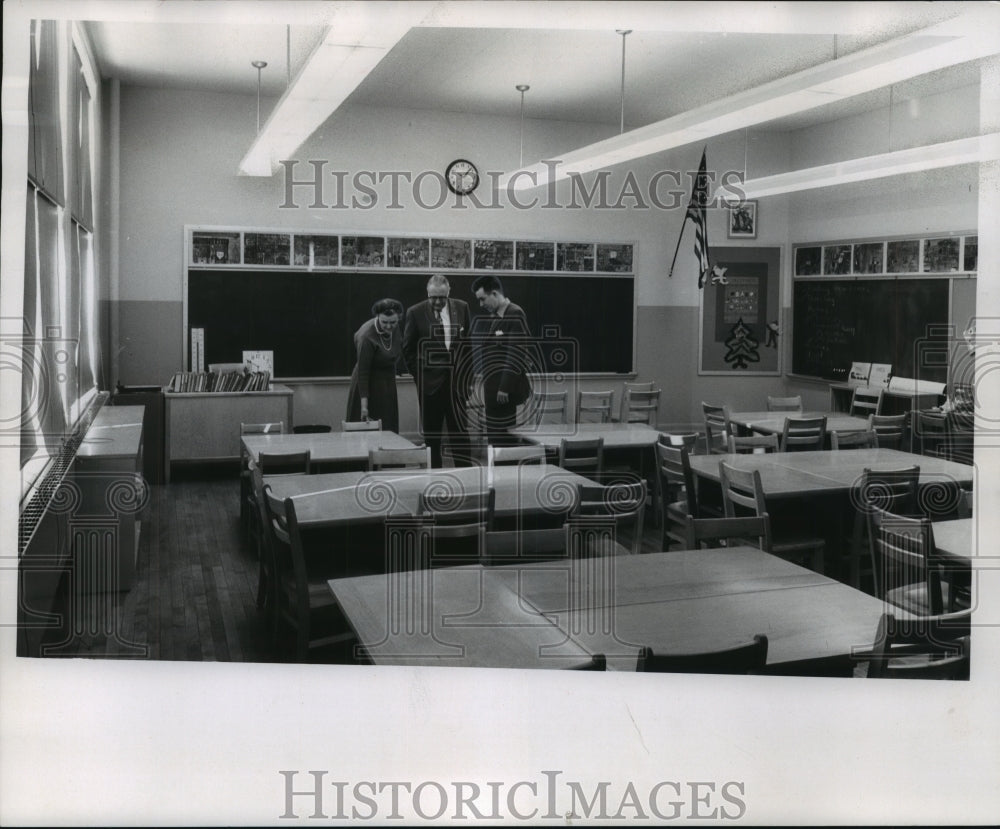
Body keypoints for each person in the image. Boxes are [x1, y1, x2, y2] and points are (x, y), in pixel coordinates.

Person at [403, 274, 473, 467]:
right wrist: (420, 376)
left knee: (460, 434)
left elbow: (468, 348)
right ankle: (434, 479)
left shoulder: (462, 308)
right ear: (428, 293)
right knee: (432, 437)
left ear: (448, 293)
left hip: (457, 386)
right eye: (433, 297)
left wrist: (468, 382)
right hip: (429, 388)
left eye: (442, 297)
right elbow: (407, 349)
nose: (437, 301)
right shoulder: (415, 312)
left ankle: (466, 477)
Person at [471, 274, 533, 447]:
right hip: (494, 390)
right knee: (496, 438)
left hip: (502, 393)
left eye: (483, 299)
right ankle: (499, 470)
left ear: (495, 294)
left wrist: (504, 388)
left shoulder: (514, 313)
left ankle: (505, 471)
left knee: (502, 440)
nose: (481, 305)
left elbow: (516, 354)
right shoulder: (498, 316)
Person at [345, 298, 404, 432]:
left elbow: (396, 350)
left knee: (388, 425)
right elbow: (363, 372)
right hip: (367, 383)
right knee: (366, 428)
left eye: (393, 322)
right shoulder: (366, 336)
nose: (389, 327)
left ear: (398, 318)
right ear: (377, 317)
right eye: (384, 322)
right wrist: (364, 406)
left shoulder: (395, 327)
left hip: (387, 382)